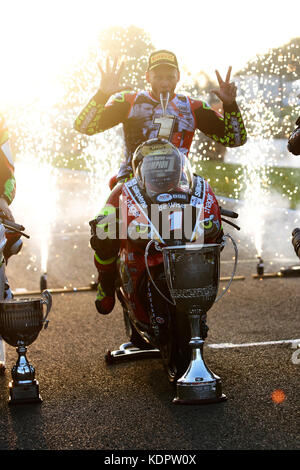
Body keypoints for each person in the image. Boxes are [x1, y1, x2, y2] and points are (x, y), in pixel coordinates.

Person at [74, 50, 247, 314]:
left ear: (178, 77)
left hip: (181, 185)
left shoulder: (193, 106)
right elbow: (84, 126)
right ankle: (106, 282)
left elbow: (235, 140)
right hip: (132, 183)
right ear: (148, 77)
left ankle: (195, 284)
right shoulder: (129, 100)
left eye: (169, 76)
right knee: (103, 229)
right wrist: (102, 93)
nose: (164, 82)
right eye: (158, 76)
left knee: (212, 228)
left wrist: (231, 105)